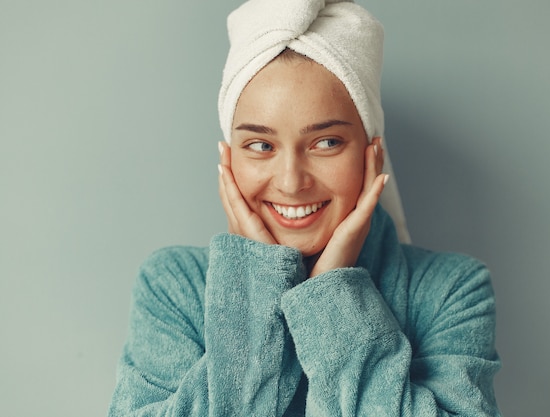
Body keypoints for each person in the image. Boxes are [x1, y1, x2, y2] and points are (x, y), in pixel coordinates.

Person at [108, 0, 502, 416]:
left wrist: (333, 293)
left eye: (326, 143)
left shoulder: (451, 290)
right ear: (229, 160)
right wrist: (252, 280)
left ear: (373, 155)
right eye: (260, 146)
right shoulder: (175, 287)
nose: (292, 182)